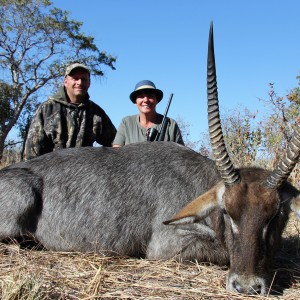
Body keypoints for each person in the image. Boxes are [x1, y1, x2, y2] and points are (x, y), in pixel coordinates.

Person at [24, 63, 116, 160]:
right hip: (51, 171)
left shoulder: (96, 112)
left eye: (84, 79)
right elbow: (32, 153)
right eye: (75, 78)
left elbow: (114, 142)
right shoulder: (47, 109)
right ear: (66, 81)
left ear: (89, 83)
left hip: (84, 171)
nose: (79, 82)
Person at [112, 80, 184, 147]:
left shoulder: (171, 124)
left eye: (150, 96)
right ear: (135, 102)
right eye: (141, 96)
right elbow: (116, 151)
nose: (146, 100)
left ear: (157, 100)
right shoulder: (126, 122)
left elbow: (181, 154)